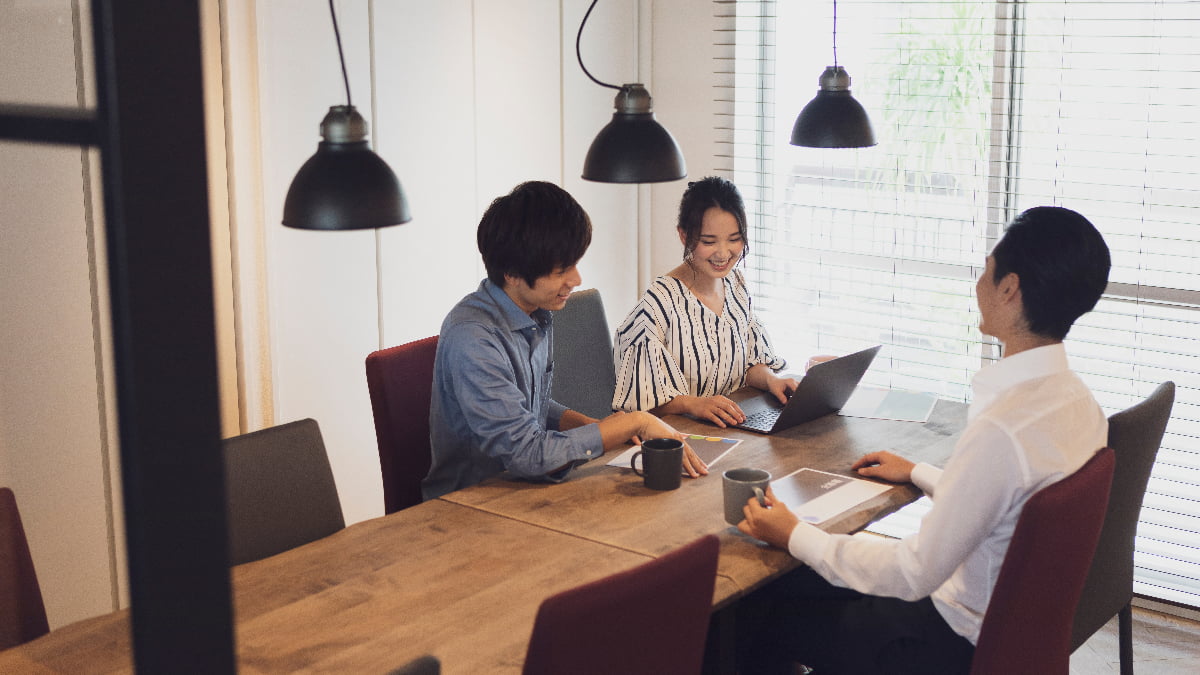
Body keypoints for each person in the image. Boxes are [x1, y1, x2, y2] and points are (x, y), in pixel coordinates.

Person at [733, 206, 1112, 674]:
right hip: (1000, 627)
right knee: (799, 577)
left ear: (1009, 288)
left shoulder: (1003, 429)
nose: (980, 280)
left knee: (753, 607)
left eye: (987, 268)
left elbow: (911, 573)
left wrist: (794, 533)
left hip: (942, 642)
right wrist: (919, 472)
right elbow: (1007, 497)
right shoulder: (1078, 403)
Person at [421, 181, 707, 501]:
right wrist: (632, 423)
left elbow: (531, 404)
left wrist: (602, 428)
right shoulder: (473, 339)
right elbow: (528, 453)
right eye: (560, 270)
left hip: (524, 491)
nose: (575, 280)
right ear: (513, 273)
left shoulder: (534, 312)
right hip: (470, 505)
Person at [611, 176, 797, 428]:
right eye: (709, 241)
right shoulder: (659, 304)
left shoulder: (736, 285)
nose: (723, 253)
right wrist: (692, 403)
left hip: (731, 427)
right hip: (678, 438)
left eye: (734, 239)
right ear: (684, 235)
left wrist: (771, 380)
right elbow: (642, 401)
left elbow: (749, 364)